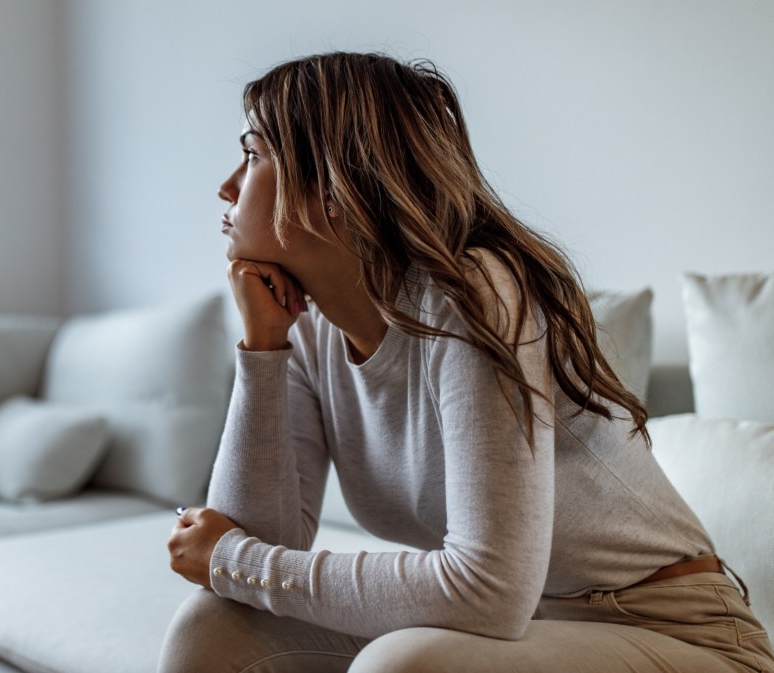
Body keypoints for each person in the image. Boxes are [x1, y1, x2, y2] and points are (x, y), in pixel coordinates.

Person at [158, 51, 773, 673]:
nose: (228, 186)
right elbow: (251, 554)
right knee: (212, 630)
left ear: (335, 186)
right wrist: (263, 349)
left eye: (254, 153)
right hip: (512, 635)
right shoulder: (306, 331)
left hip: (679, 635)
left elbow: (488, 593)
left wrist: (234, 559)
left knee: (404, 665)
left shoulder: (471, 291)